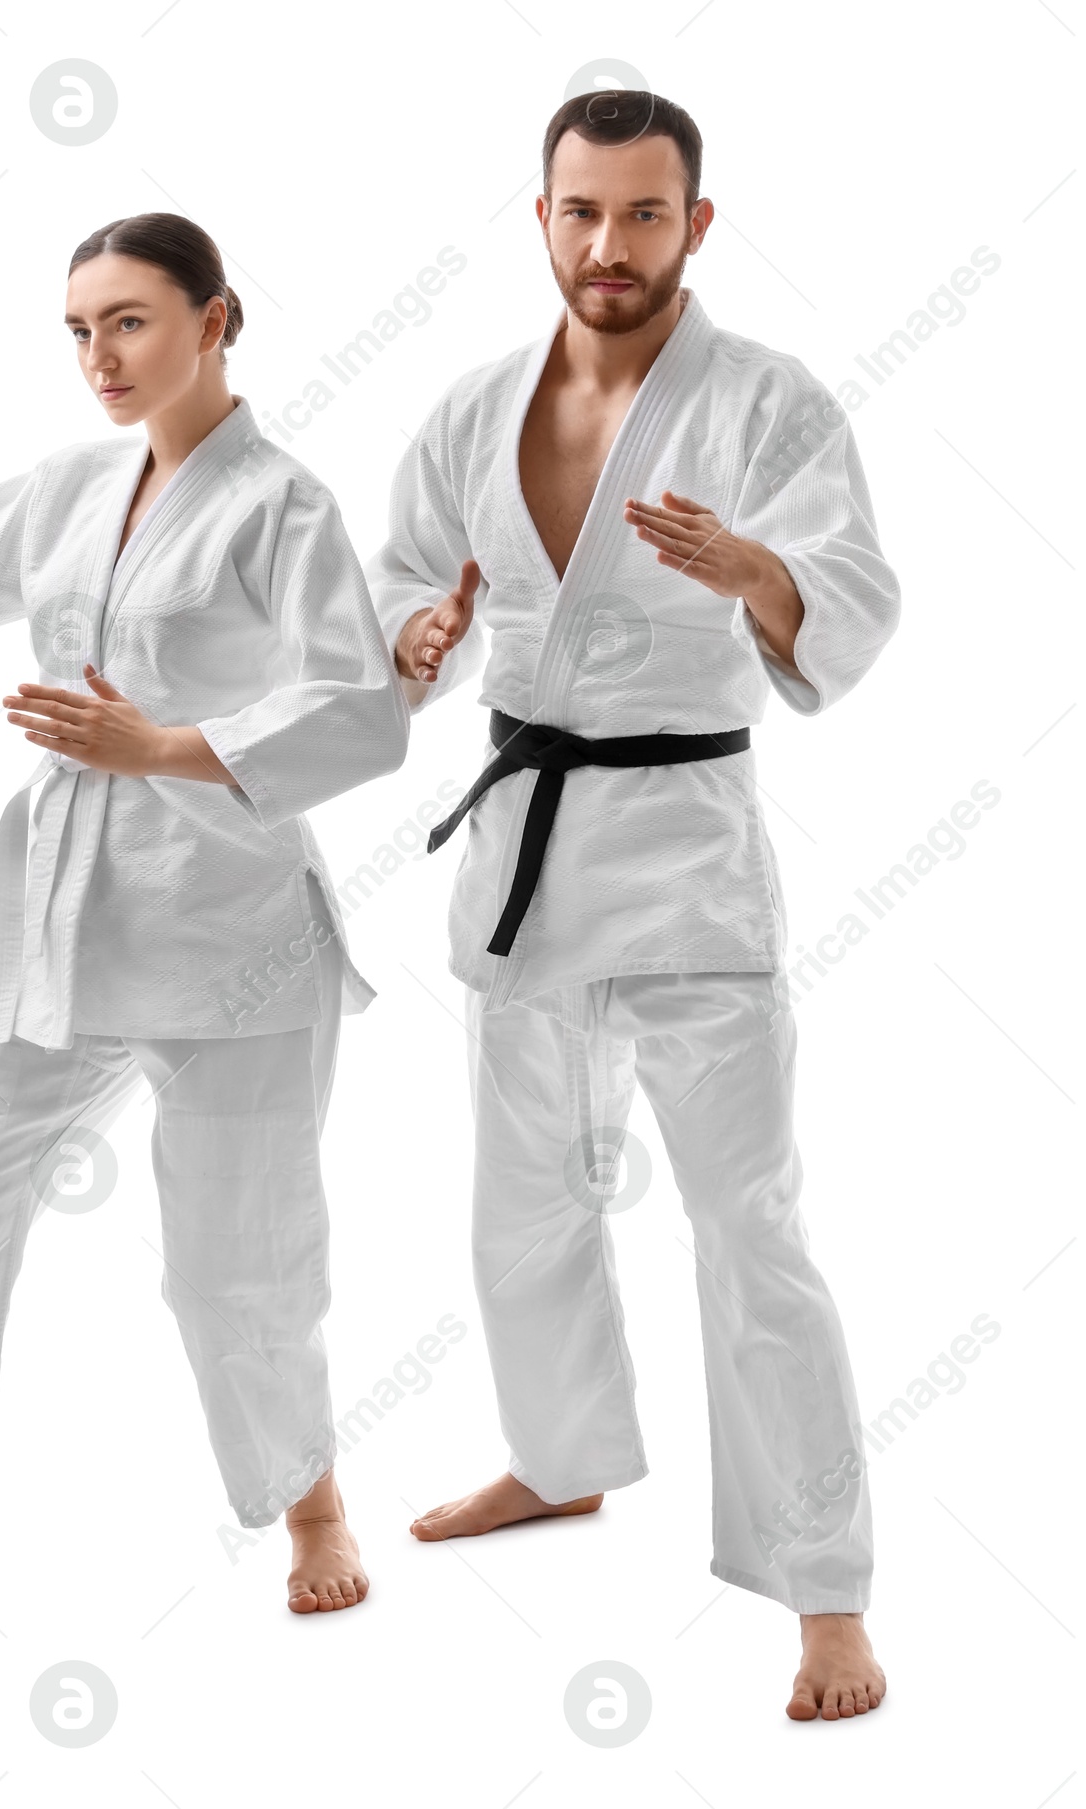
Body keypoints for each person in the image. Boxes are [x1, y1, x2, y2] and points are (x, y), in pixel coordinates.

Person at [0, 212, 408, 1659]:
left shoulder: (281, 506)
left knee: (238, 1265)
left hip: (230, 930)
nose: (100, 354)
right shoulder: (68, 488)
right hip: (58, 919)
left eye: (129, 320)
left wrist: (162, 744)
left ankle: (311, 1510)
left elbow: (362, 712)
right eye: (79, 328)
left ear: (214, 322)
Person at [367, 92, 898, 1721]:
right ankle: (560, 1455)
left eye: (646, 214)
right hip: (525, 849)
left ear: (697, 224)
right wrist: (415, 636)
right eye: (582, 211)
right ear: (539, 216)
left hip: (684, 855)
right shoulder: (470, 409)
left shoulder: (766, 403)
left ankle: (826, 1592)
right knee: (525, 1203)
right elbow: (398, 570)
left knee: (750, 1228)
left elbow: (859, 591)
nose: (611, 246)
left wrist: (757, 574)